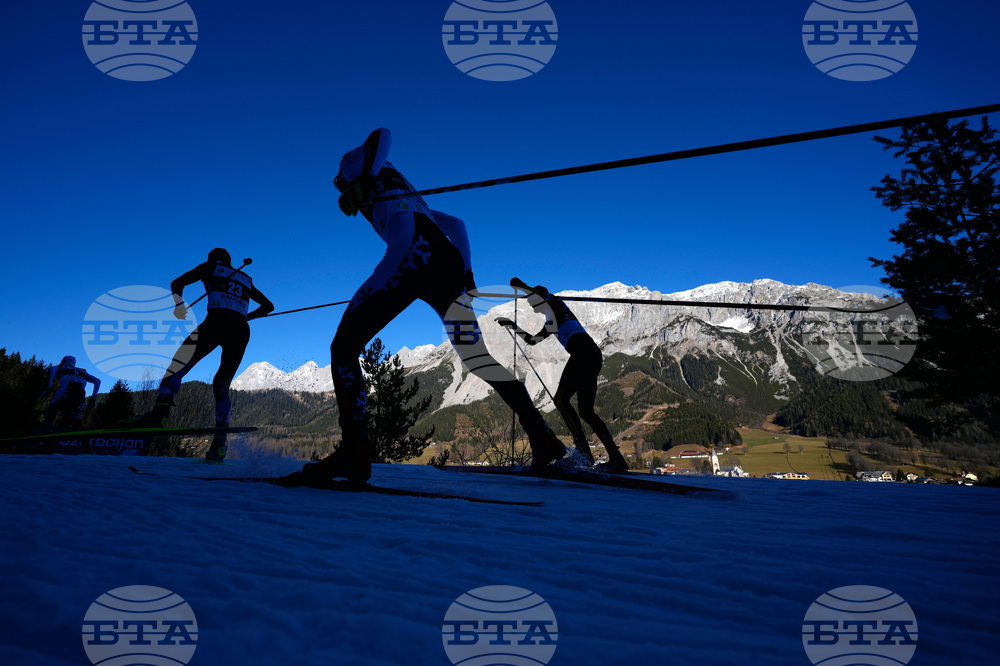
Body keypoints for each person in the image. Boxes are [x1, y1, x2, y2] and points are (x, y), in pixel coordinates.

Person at [297, 128, 565, 485]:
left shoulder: (359, 168)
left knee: (343, 347)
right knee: (479, 358)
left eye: (341, 189)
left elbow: (383, 137)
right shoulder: (408, 194)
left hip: (412, 257)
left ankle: (355, 452)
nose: (344, 197)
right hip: (447, 265)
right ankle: (542, 436)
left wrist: (375, 282)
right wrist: (467, 273)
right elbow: (456, 224)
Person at [127, 248, 274, 461]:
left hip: (215, 323)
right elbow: (268, 306)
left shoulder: (211, 266)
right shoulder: (245, 277)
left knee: (177, 366)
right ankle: (220, 440)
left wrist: (179, 306)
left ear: (212, 259)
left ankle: (159, 415)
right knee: (222, 384)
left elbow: (177, 283)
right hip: (241, 331)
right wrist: (245, 317)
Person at [497, 279, 629, 473]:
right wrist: (512, 325)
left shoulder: (555, 304)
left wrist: (519, 285)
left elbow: (542, 296)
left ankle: (583, 452)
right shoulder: (552, 319)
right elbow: (533, 341)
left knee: (561, 399)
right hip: (592, 355)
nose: (530, 305)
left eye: (531, 301)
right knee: (586, 411)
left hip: (583, 355)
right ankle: (616, 458)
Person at [43, 356, 100, 431]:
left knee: (52, 410)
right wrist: (93, 397)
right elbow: (97, 381)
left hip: (65, 392)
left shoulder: (60, 367)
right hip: (80, 395)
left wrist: (49, 387)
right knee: (77, 417)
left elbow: (52, 369)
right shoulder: (82, 371)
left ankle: (48, 426)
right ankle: (79, 431)